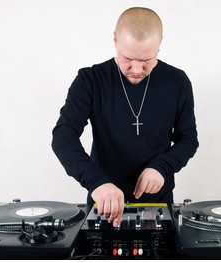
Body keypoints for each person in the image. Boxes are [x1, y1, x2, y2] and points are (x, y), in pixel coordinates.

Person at [52, 7, 199, 227]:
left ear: (159, 45)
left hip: (157, 203)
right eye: (127, 58)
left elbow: (188, 139)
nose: (137, 69)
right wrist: (97, 183)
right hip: (104, 203)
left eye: (147, 60)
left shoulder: (178, 81)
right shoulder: (89, 80)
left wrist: (162, 166)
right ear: (115, 40)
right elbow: (64, 137)